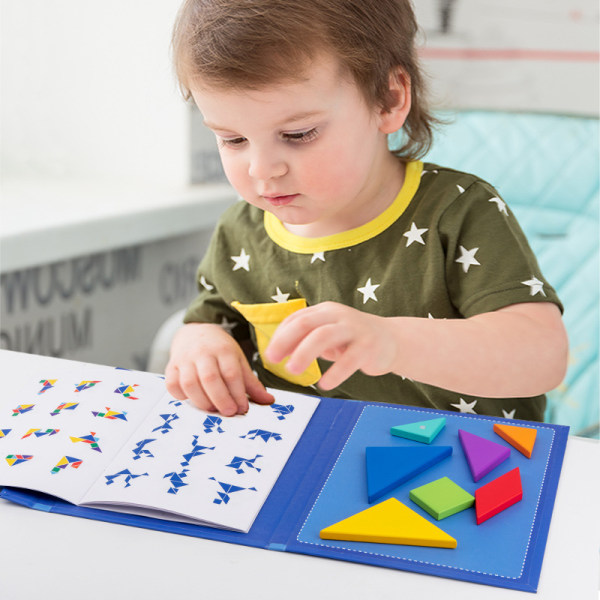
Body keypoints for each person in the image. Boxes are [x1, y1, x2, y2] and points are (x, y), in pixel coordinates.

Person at [165, 0, 568, 422]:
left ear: (388, 100)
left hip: (469, 461)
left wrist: (392, 341)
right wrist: (200, 345)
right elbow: (211, 320)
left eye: (298, 134)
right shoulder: (240, 231)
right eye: (232, 139)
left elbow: (543, 356)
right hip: (309, 458)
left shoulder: (458, 211)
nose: (261, 170)